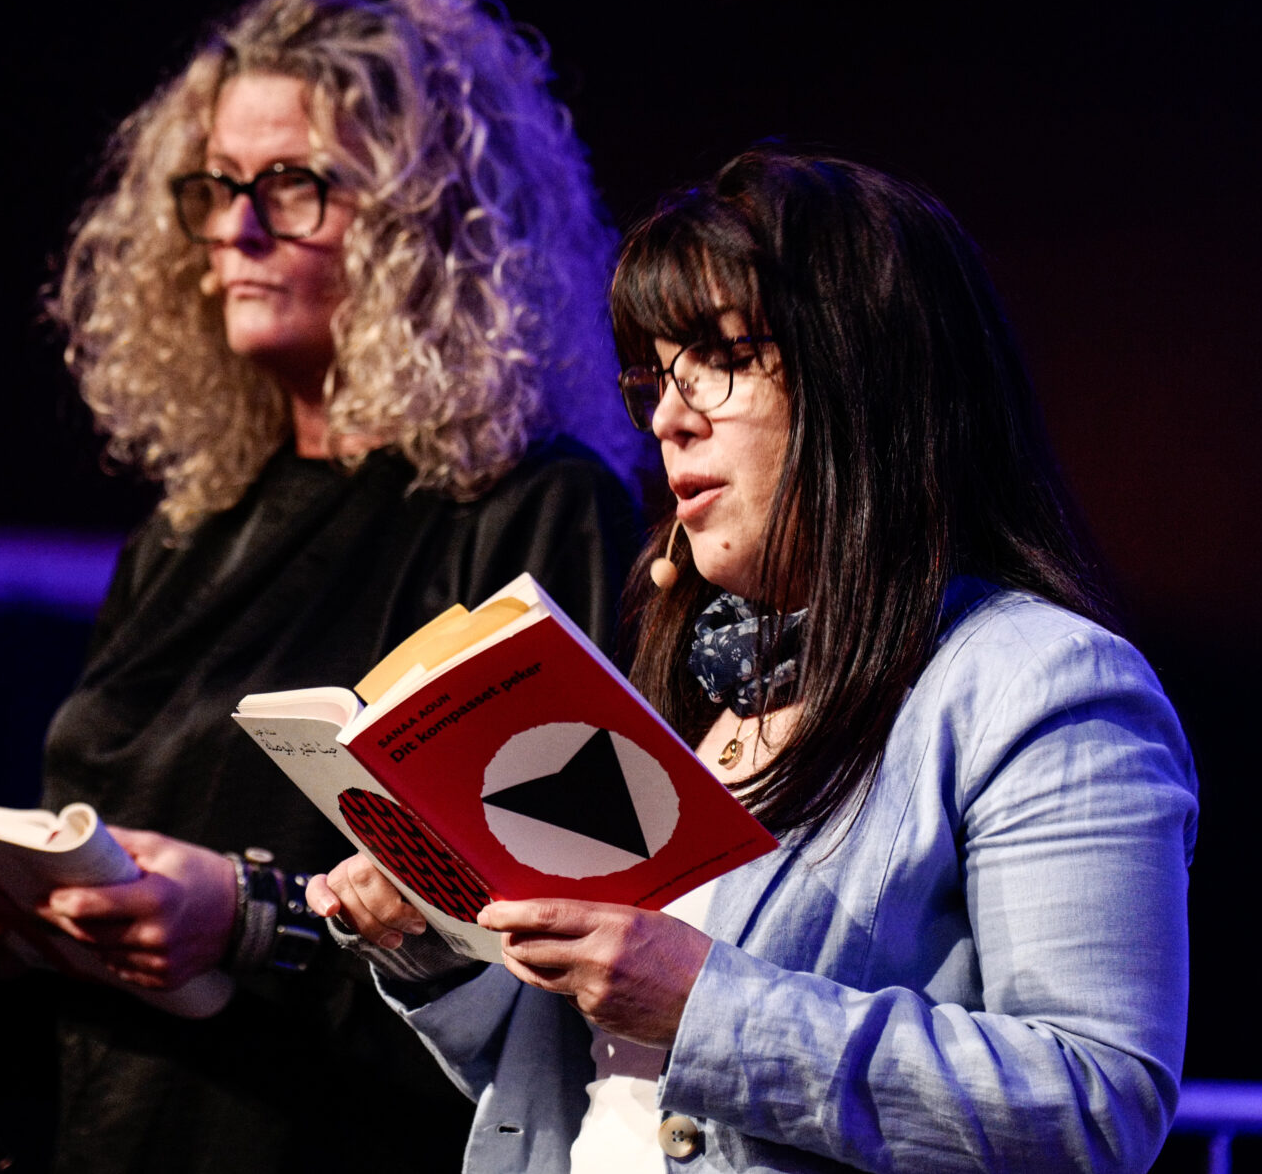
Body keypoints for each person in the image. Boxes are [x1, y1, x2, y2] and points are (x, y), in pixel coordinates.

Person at [313, 148, 1198, 1173]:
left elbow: (1095, 1105)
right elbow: (608, 1086)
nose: (667, 417)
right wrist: (432, 944)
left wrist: (705, 1005)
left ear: (863, 379)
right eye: (655, 375)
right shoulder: (700, 679)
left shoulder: (1040, 684)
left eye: (720, 359)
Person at [0, 0, 638, 1174]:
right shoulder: (185, 532)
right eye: (214, 187)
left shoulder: (532, 508)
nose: (236, 229)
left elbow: (548, 944)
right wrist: (9, 933)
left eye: (292, 185)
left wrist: (254, 922)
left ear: (428, 220)